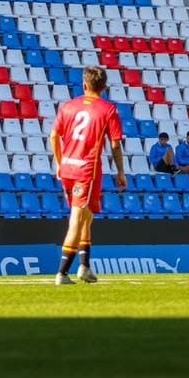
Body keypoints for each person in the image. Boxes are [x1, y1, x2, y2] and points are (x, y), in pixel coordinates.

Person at [50, 66, 126, 285]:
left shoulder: (68, 106)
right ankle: (62, 273)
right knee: (78, 217)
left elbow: (54, 135)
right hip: (86, 170)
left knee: (87, 216)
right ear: (104, 87)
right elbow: (115, 143)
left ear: (84, 85)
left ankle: (84, 267)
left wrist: (59, 161)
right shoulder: (108, 109)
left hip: (68, 168)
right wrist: (120, 172)